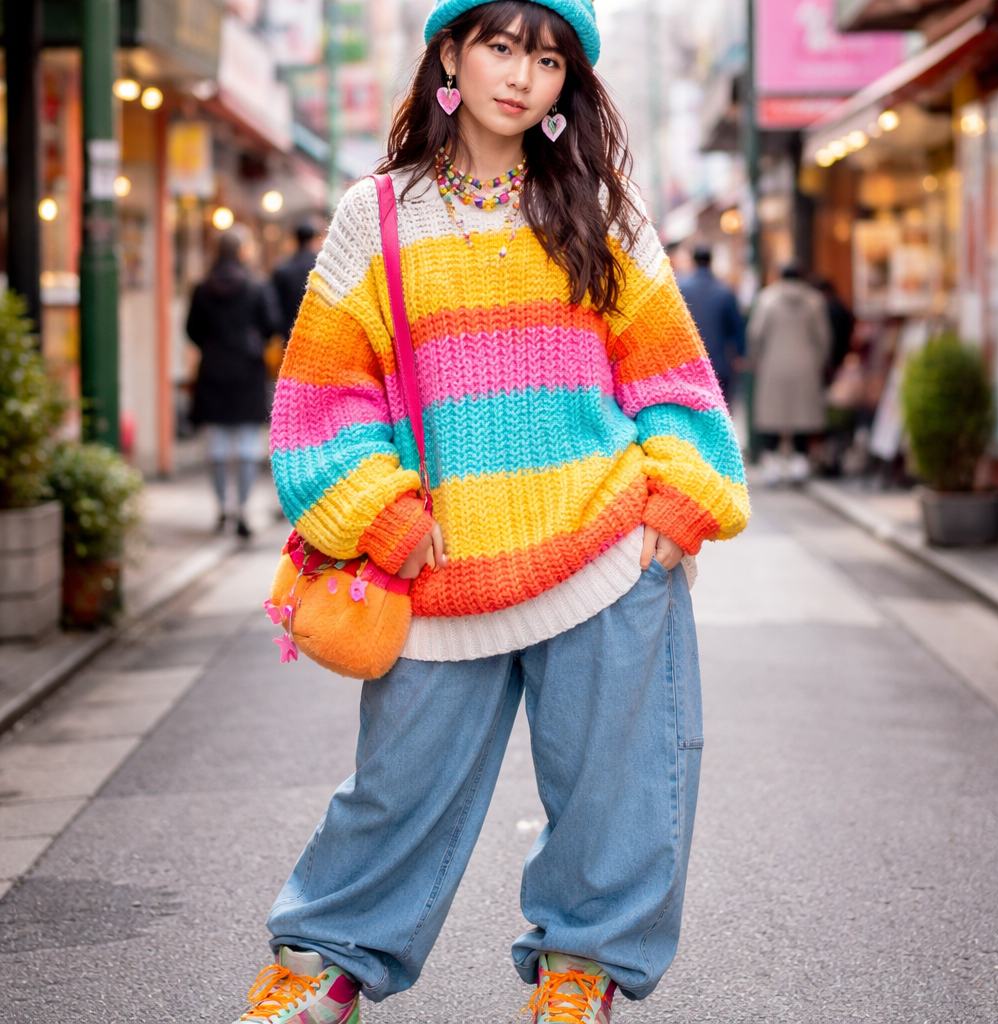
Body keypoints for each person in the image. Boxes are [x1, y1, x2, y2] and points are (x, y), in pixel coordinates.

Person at [235, 3, 749, 1022]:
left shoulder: (602, 212)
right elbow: (321, 400)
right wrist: (380, 512)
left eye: (548, 59)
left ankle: (580, 973)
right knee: (395, 787)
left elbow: (673, 379)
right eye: (502, 48)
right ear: (451, 55)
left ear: (567, 83)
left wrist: (675, 505)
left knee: (616, 786)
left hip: (605, 552)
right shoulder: (376, 214)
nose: (521, 76)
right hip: (437, 566)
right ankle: (322, 965)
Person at [186, 228, 280, 538]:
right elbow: (271, 324)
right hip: (247, 372)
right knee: (247, 444)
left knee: (216, 444)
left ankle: (222, 507)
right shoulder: (256, 286)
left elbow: (192, 329)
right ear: (242, 251)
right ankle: (242, 508)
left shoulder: (202, 288)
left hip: (212, 369)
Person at [746, 263, 831, 485]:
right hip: (806, 365)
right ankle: (799, 462)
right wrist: (819, 361)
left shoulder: (766, 299)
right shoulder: (815, 300)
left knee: (772, 415)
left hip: (773, 364)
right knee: (803, 415)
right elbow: (823, 337)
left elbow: (755, 333)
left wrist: (756, 357)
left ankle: (772, 462)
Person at [675, 244, 745, 402]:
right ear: (711, 260)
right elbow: (737, 329)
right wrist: (740, 354)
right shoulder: (725, 291)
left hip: (687, 364)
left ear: (693, 260)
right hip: (719, 364)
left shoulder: (680, 289)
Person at [272, 222, 319, 340]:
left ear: (295, 240)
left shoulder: (282, 269)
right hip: (317, 332)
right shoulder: (321, 268)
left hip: (290, 333)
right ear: (313, 239)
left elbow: (275, 306)